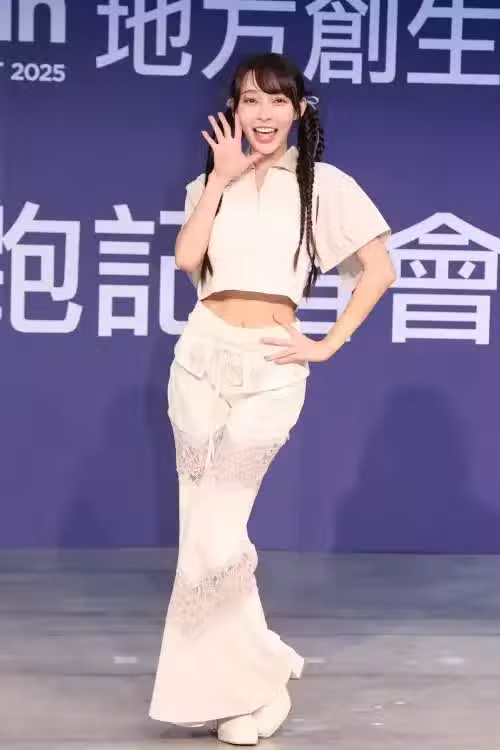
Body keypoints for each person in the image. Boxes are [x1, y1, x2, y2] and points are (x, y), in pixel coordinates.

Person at [149, 52, 396, 746]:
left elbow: (379, 269)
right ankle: (244, 687)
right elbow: (186, 259)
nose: (262, 114)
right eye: (250, 100)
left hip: (272, 365)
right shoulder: (212, 180)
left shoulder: (325, 185)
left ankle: (259, 676)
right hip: (201, 357)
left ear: (299, 111)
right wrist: (218, 181)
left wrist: (329, 342)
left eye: (277, 101)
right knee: (201, 530)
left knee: (220, 530)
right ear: (234, 108)